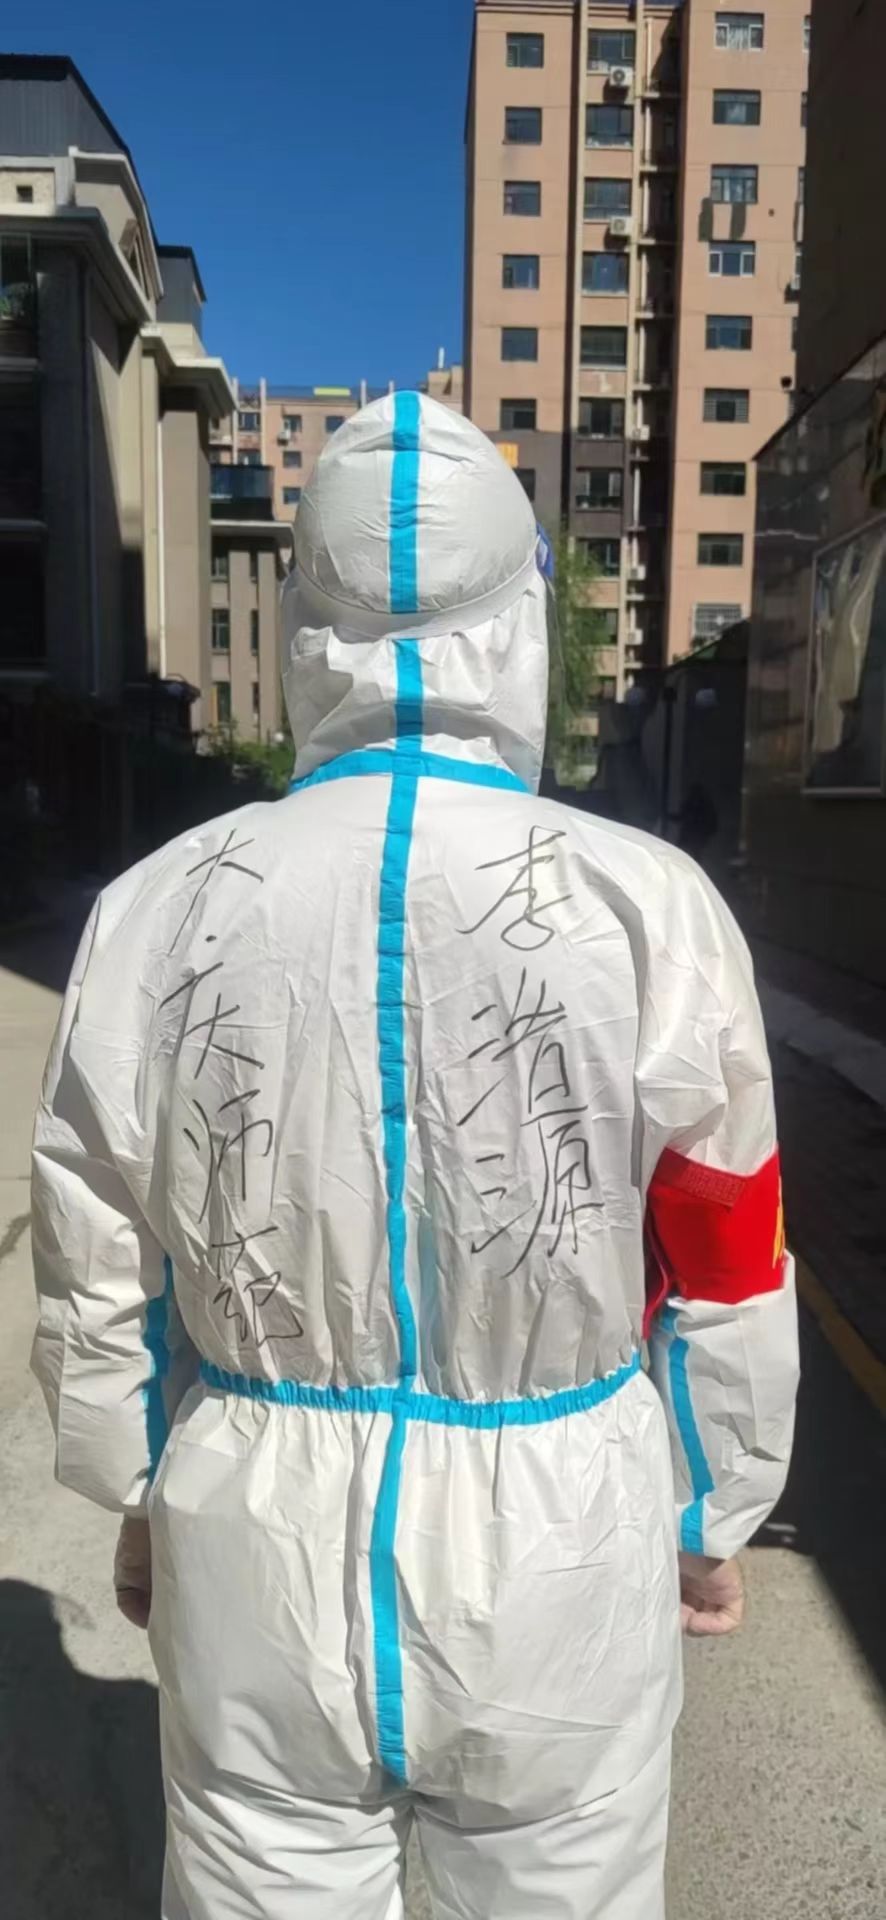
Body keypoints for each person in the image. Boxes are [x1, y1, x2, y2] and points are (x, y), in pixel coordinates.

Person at [31, 394, 799, 1920]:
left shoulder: (159, 904)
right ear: (516, 628)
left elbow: (96, 1243)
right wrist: (710, 1510)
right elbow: (725, 1244)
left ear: (303, 633)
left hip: (254, 1527)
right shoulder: (647, 902)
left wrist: (136, 1488)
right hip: (559, 1546)